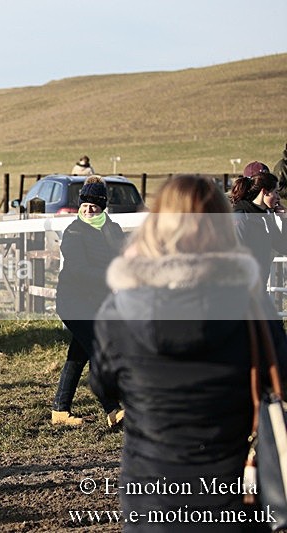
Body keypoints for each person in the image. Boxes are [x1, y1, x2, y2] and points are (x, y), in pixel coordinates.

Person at [90, 174, 287, 529]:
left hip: (150, 493)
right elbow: (280, 374)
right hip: (232, 492)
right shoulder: (253, 308)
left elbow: (103, 386)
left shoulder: (120, 311)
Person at [51, 176, 125, 427]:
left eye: (93, 206)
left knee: (78, 354)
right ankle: (113, 409)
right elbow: (80, 270)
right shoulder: (74, 232)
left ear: (102, 207)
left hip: (98, 303)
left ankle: (60, 411)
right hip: (74, 303)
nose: (88, 209)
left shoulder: (113, 230)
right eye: (84, 205)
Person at [229, 161, 287, 287]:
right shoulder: (240, 216)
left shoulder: (266, 216)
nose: (278, 197)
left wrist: (283, 219)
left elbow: (283, 247)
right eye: (275, 192)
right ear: (263, 190)